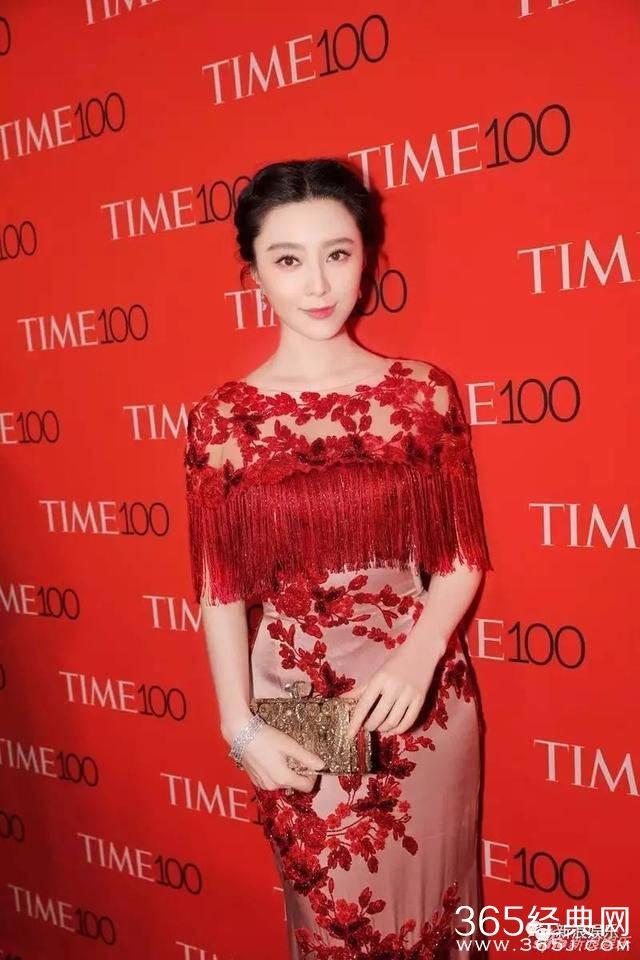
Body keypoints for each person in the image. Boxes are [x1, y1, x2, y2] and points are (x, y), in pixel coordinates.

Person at [183, 158, 493, 959]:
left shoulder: (422, 394)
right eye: (288, 259)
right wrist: (239, 728)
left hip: (421, 704)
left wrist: (419, 657)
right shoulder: (223, 419)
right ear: (254, 272)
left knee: (436, 921)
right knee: (334, 929)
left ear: (366, 260)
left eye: (337, 253)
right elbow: (219, 590)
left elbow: (461, 556)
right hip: (297, 712)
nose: (317, 283)